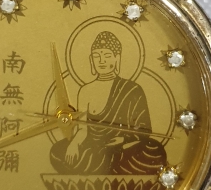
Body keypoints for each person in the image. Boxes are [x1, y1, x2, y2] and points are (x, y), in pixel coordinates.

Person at [50, 30, 166, 175]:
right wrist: (74, 144)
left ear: (117, 58)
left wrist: (123, 139)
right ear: (91, 60)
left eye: (107, 56)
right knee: (57, 152)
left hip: (124, 147)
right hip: (93, 146)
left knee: (154, 150)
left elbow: (144, 129)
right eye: (96, 56)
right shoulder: (85, 90)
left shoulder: (132, 89)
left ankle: (104, 164)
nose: (102, 61)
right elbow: (82, 130)